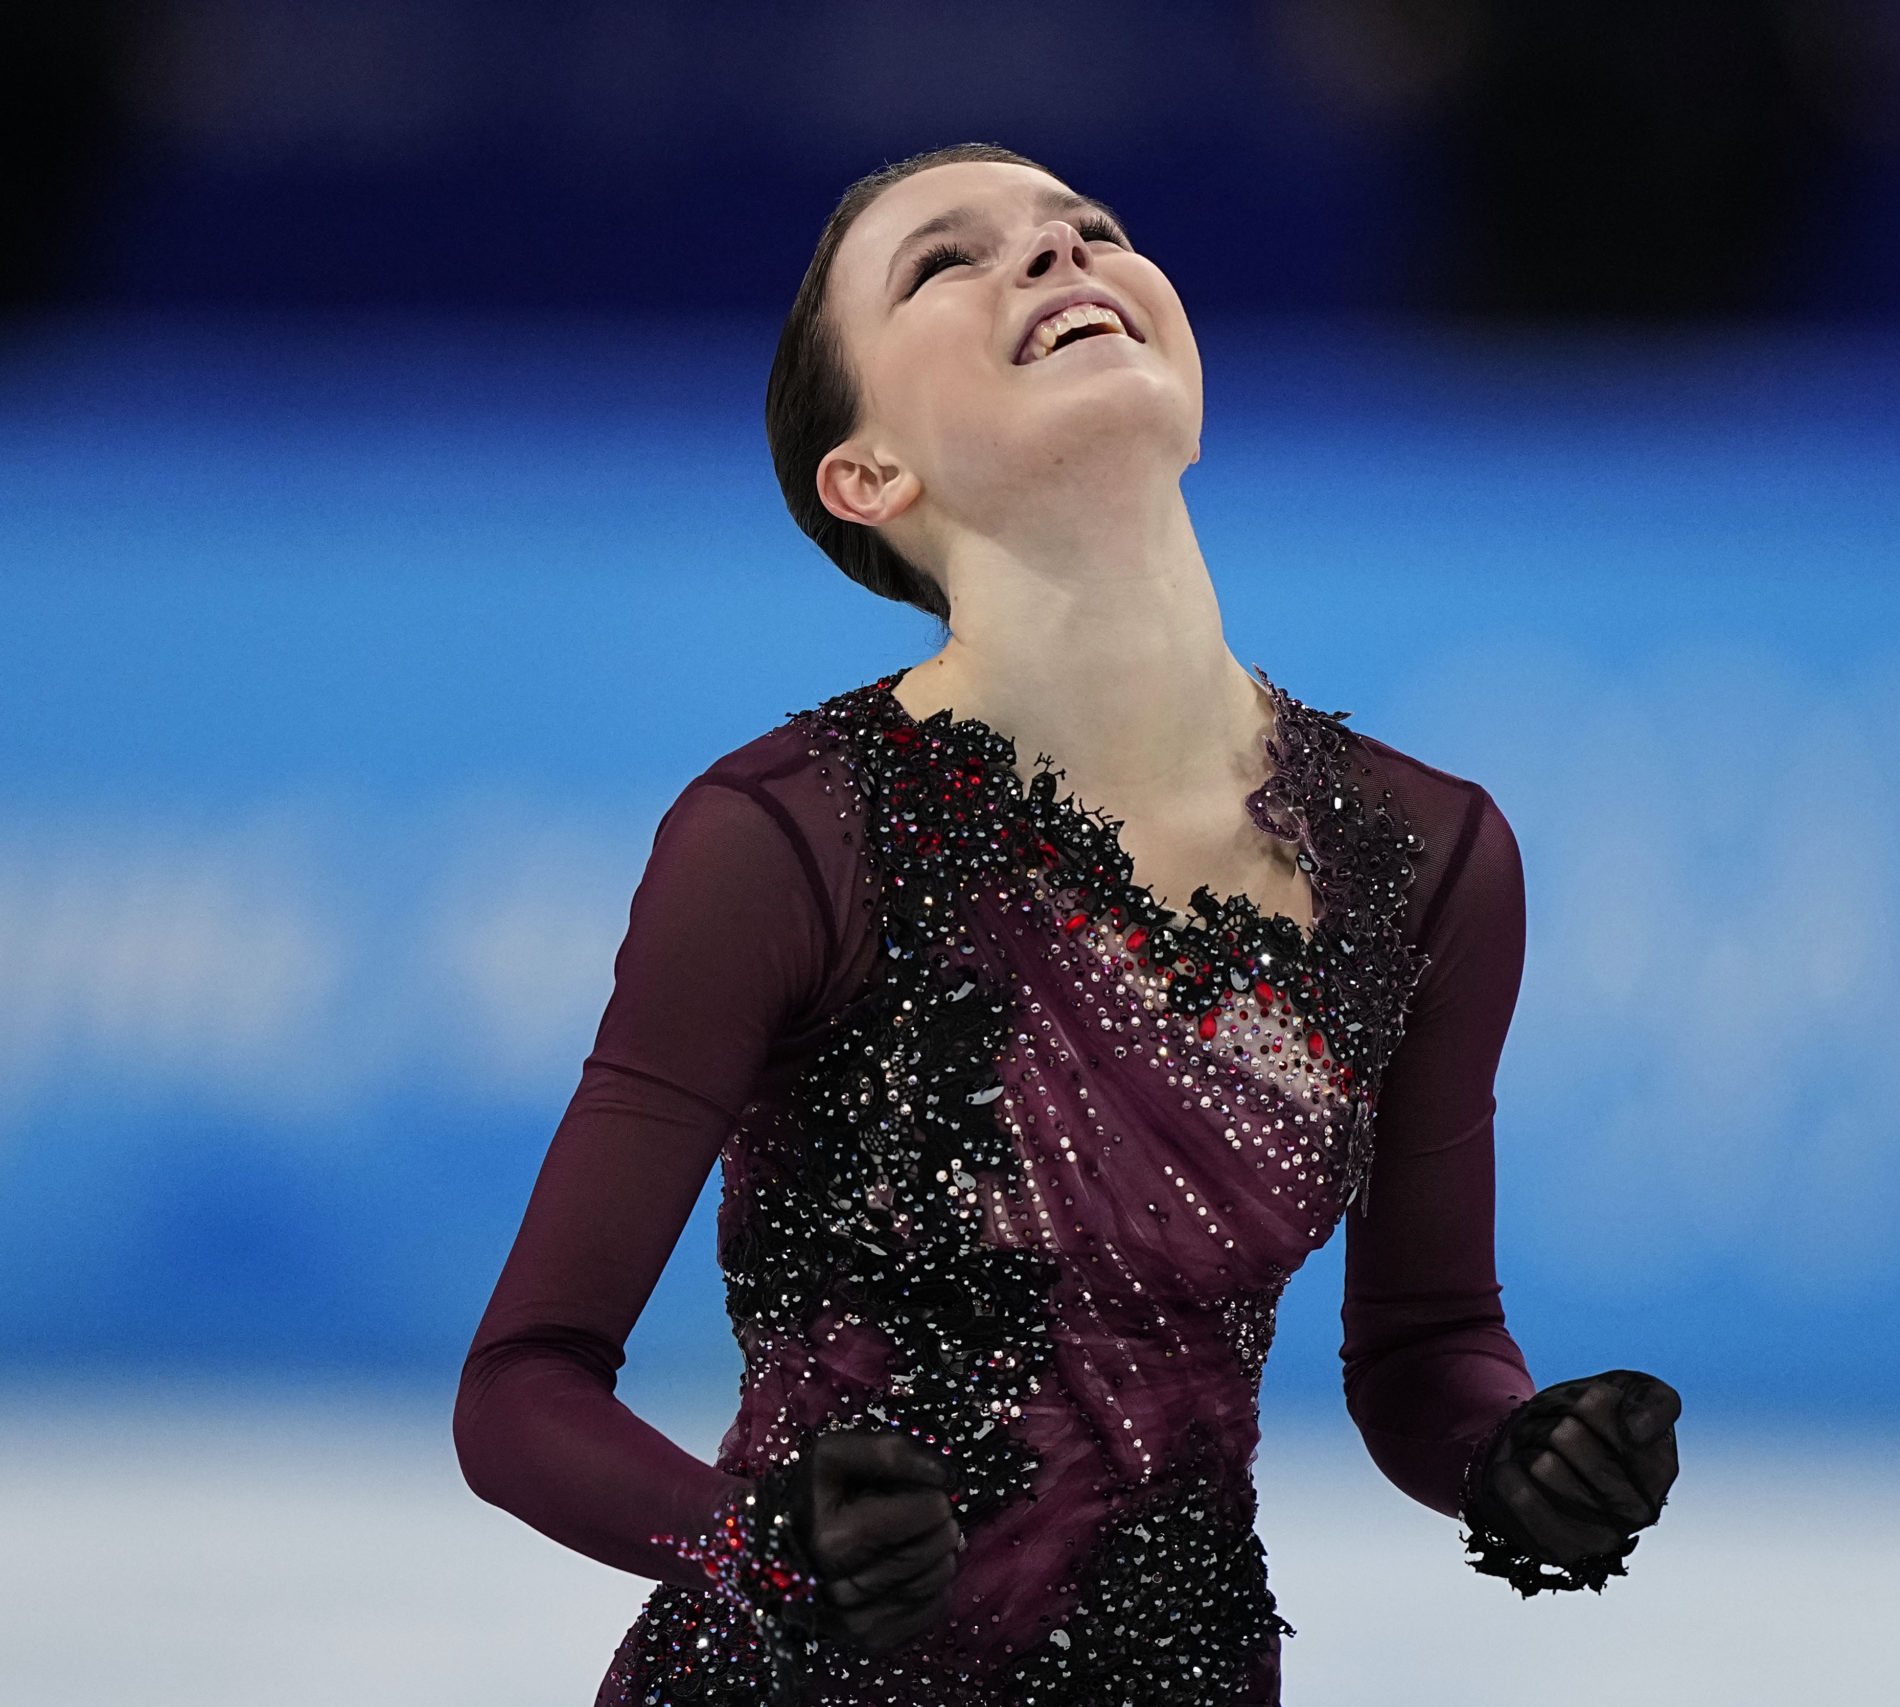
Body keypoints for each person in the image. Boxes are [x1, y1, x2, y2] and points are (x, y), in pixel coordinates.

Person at [454, 142, 1681, 1707]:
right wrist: (758, 1540)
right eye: (943, 262)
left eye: (1087, 228)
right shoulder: (787, 842)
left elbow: (1428, 1344)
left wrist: (1516, 1455)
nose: (1056, 255)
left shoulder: (1423, 858)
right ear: (869, 474)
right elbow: (521, 1391)